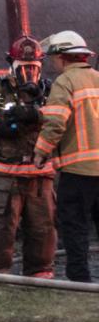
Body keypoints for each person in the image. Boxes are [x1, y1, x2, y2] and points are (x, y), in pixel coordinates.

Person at [0, 35, 55, 277]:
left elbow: (62, 115)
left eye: (33, 67)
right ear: (12, 66)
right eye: (24, 67)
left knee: (43, 229)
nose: (29, 73)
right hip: (4, 176)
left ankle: (41, 276)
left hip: (40, 176)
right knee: (0, 230)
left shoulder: (49, 91)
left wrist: (37, 115)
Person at [35, 30, 99, 282]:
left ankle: (79, 281)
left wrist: (41, 152)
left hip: (78, 170)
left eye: (53, 58)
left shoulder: (65, 82)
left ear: (62, 57)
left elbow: (55, 123)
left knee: (74, 226)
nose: (53, 63)